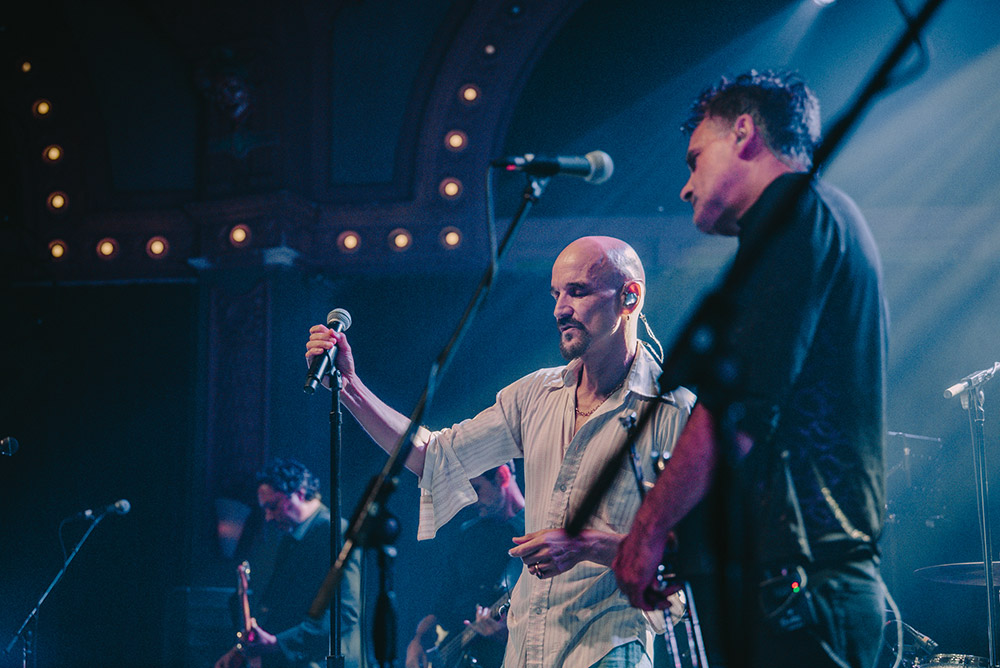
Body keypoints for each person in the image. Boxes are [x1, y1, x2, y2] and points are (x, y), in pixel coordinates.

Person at [306, 236, 695, 668]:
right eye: (556, 294)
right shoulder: (535, 394)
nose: (560, 309)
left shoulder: (675, 412)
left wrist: (587, 545)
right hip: (527, 649)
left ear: (629, 297)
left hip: (610, 645)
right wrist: (350, 388)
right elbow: (435, 455)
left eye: (577, 291)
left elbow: (694, 552)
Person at [613, 70, 888, 668]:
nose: (686, 187)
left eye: (695, 159)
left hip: (802, 588)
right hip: (796, 583)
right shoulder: (806, 222)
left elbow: (741, 407)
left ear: (743, 132)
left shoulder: (798, 213)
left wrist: (649, 529)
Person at [214, 458, 363, 668]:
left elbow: (345, 613)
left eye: (273, 506)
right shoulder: (292, 538)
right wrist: (242, 649)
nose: (268, 517)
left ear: (299, 493)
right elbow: (277, 605)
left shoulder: (336, 533)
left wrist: (277, 643)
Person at [405, 462, 525, 668]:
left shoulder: (534, 534)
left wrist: (509, 635)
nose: (470, 501)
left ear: (502, 477)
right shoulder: (468, 534)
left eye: (476, 489)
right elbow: (442, 602)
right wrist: (418, 640)